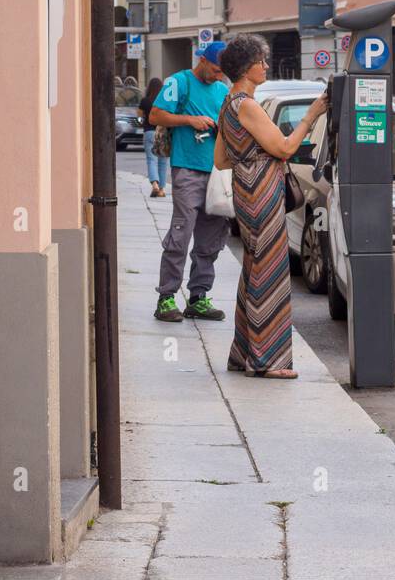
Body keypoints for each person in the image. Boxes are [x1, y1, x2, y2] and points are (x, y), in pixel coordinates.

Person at [215, 34, 327, 378]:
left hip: (244, 189)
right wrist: (311, 116)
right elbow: (284, 147)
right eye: (261, 61)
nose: (265, 66)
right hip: (263, 190)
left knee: (254, 266)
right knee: (271, 269)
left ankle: (243, 353)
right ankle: (268, 361)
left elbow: (220, 159)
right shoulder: (247, 104)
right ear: (247, 68)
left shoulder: (228, 103)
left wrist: (248, 160)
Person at [148, 42, 231, 323]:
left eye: (223, 72)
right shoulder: (179, 82)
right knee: (181, 233)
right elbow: (155, 115)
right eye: (216, 70)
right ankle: (167, 297)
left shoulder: (223, 90)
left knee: (211, 238)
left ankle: (198, 297)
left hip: (218, 173)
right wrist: (189, 120)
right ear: (202, 60)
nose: (219, 76)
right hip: (187, 169)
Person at [139, 76, 167, 198]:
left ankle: (154, 184)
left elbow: (139, 116)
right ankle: (161, 189)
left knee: (151, 160)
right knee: (163, 161)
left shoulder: (145, 101)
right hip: (162, 132)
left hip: (149, 131)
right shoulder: (164, 100)